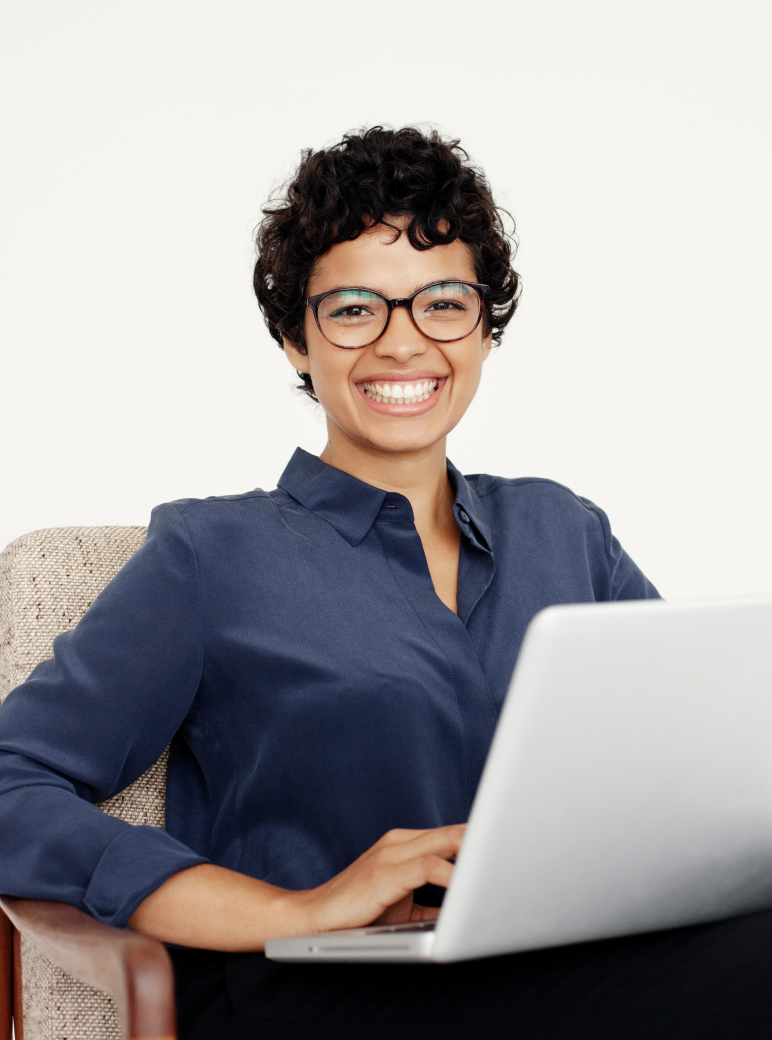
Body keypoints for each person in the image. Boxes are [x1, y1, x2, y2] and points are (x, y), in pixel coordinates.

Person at [1, 126, 770, 1040]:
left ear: (485, 326)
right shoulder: (210, 554)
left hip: (559, 968)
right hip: (317, 998)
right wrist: (293, 909)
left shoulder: (565, 533)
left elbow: (689, 766)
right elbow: (14, 782)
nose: (404, 345)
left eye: (442, 303)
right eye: (357, 308)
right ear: (296, 337)